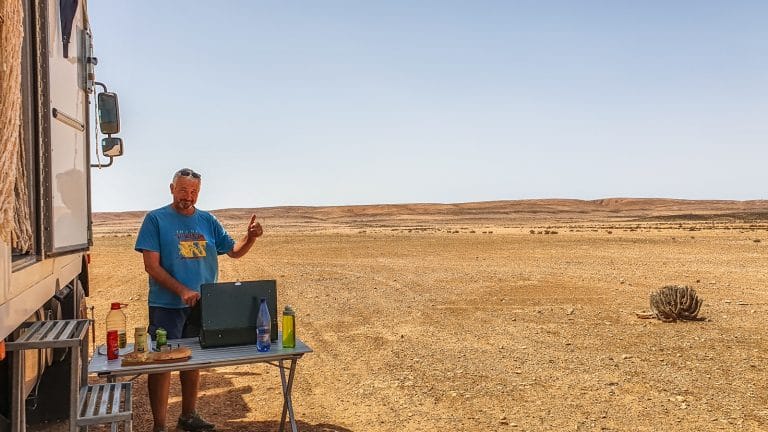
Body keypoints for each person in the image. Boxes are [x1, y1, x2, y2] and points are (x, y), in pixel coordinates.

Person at [135, 168, 263, 432]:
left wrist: (249, 238)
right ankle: (159, 426)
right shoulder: (156, 220)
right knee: (161, 363)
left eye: (194, 191)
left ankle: (188, 416)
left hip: (202, 304)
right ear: (171, 189)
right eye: (183, 190)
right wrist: (181, 290)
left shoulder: (208, 220)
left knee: (194, 360)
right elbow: (151, 266)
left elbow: (234, 252)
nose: (188, 196)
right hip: (166, 306)